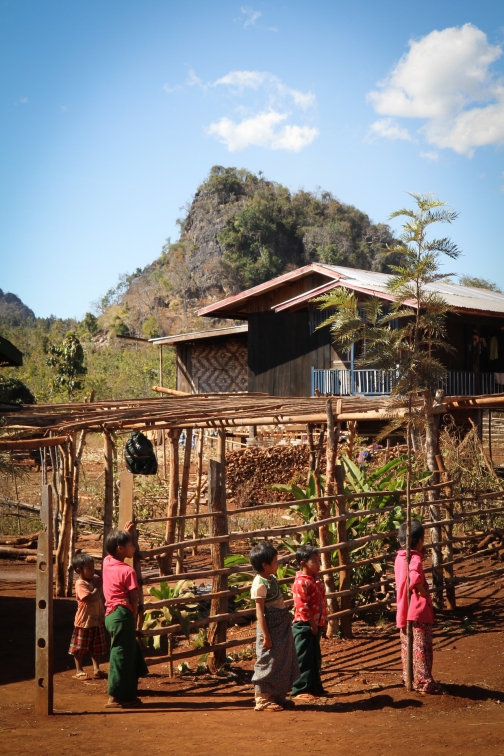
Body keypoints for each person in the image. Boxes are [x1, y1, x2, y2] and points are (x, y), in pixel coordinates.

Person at [249, 541, 300, 712]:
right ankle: (262, 699)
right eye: (275, 561)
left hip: (280, 626)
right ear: (265, 565)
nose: (278, 564)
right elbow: (260, 614)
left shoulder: (271, 579)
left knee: (282, 660)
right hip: (270, 629)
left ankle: (278, 697)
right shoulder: (259, 585)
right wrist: (266, 636)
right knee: (267, 662)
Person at [102, 523, 148, 708]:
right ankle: (116, 697)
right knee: (121, 656)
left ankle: (127, 694)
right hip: (123, 614)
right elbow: (134, 599)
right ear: (121, 548)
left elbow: (113, 549)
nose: (134, 547)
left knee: (126, 653)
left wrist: (125, 533)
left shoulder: (107, 562)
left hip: (111, 615)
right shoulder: (128, 571)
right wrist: (134, 615)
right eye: (131, 544)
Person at [394, 520, 442, 694]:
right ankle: (423, 682)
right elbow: (414, 577)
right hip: (418, 610)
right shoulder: (414, 558)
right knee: (422, 648)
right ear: (420, 540)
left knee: (408, 647)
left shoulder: (399, 558)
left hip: (404, 610)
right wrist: (423, 592)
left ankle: (410, 678)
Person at [291, 544, 327, 702]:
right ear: (303, 563)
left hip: (315, 624)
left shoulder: (315, 579)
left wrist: (322, 621)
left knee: (314, 656)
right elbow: (302, 606)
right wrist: (312, 623)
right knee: (303, 657)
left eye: (319, 560)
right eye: (314, 561)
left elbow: (321, 601)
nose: (318, 564)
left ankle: (314, 687)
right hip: (304, 625)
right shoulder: (300, 583)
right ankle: (299, 689)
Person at [68, 552, 106, 680]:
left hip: (96, 620)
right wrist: (96, 588)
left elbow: (105, 576)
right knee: (79, 648)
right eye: (89, 568)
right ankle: (79, 670)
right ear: (79, 570)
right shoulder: (80, 583)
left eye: (93, 567)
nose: (92, 570)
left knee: (97, 647)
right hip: (84, 621)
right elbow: (89, 598)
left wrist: (97, 572)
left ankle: (97, 668)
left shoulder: (93, 580)